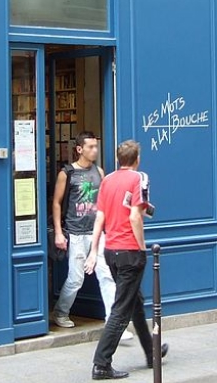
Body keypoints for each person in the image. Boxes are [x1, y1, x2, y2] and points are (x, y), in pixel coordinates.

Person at [85, 140, 168, 380]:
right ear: (137, 159)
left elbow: (100, 217)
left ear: (119, 159)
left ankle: (152, 352)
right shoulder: (139, 178)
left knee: (134, 303)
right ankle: (101, 363)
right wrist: (141, 247)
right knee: (122, 309)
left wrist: (94, 249)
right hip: (129, 251)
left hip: (110, 250)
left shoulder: (108, 180)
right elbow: (135, 217)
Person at [51, 132, 133, 340]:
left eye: (96, 146)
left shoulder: (100, 172)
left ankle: (113, 322)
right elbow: (57, 202)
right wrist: (59, 233)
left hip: (97, 232)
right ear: (79, 149)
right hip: (76, 233)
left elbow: (105, 202)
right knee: (75, 278)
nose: (94, 150)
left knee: (106, 276)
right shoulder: (67, 173)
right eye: (90, 147)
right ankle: (61, 312)